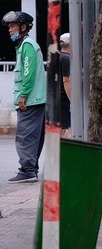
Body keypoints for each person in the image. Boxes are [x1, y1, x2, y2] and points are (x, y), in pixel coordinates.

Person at [3, 11, 46, 183]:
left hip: (29, 100)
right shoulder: (23, 46)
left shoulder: (27, 45)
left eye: (12, 26)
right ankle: (31, 168)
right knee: (34, 135)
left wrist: (23, 95)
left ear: (23, 27)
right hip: (35, 100)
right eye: (9, 27)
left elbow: (29, 73)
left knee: (26, 135)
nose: (10, 30)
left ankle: (27, 169)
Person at [59, 33, 72, 138]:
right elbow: (66, 81)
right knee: (66, 129)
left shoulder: (57, 56)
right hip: (64, 98)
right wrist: (72, 100)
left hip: (56, 97)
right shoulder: (67, 59)